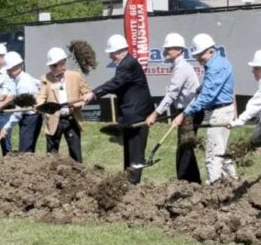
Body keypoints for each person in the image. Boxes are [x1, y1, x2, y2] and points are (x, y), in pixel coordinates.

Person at [83, 35, 154, 184]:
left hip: (137, 115)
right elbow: (119, 85)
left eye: (112, 53)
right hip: (130, 115)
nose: (110, 56)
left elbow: (116, 83)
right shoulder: (125, 63)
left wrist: (94, 93)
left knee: (135, 153)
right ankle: (128, 182)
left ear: (122, 51)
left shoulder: (128, 64)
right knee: (129, 152)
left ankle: (133, 184)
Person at [171, 33, 238, 184]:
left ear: (211, 51)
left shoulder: (214, 67)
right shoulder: (221, 62)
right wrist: (203, 87)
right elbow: (214, 86)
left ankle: (214, 187)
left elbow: (207, 96)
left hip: (220, 112)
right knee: (222, 152)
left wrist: (184, 114)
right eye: (196, 56)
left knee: (213, 154)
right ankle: (233, 183)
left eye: (200, 55)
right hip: (223, 110)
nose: (198, 59)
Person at [145, 33, 202, 183]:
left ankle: (185, 182)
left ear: (179, 50)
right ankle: (193, 182)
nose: (165, 51)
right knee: (185, 148)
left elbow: (172, 94)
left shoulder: (182, 68)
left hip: (190, 111)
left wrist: (155, 114)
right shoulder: (178, 67)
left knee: (184, 148)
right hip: (185, 110)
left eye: (169, 49)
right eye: (165, 48)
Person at [37, 47, 90, 162]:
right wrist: (40, 105)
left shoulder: (75, 76)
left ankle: (78, 171)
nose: (52, 68)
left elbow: (87, 93)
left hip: (71, 118)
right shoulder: (45, 78)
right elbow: (41, 95)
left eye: (54, 65)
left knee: (75, 151)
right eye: (51, 66)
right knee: (52, 153)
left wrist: (81, 103)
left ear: (63, 63)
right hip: (54, 119)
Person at [0, 51, 42, 153]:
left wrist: (6, 128)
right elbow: (41, 84)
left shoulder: (23, 85)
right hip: (33, 117)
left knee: (25, 151)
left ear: (14, 68)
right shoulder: (26, 76)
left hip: (29, 118)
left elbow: (18, 112)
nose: (7, 72)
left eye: (8, 70)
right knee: (28, 149)